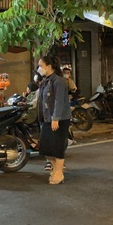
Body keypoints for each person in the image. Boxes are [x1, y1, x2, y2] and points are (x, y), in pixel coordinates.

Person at [37, 56, 71, 185]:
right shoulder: (45, 81)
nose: (39, 68)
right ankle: (57, 169)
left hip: (60, 119)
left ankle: (58, 173)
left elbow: (59, 101)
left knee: (57, 147)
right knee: (46, 148)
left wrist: (55, 118)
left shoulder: (59, 81)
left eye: (41, 66)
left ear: (49, 66)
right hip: (47, 118)